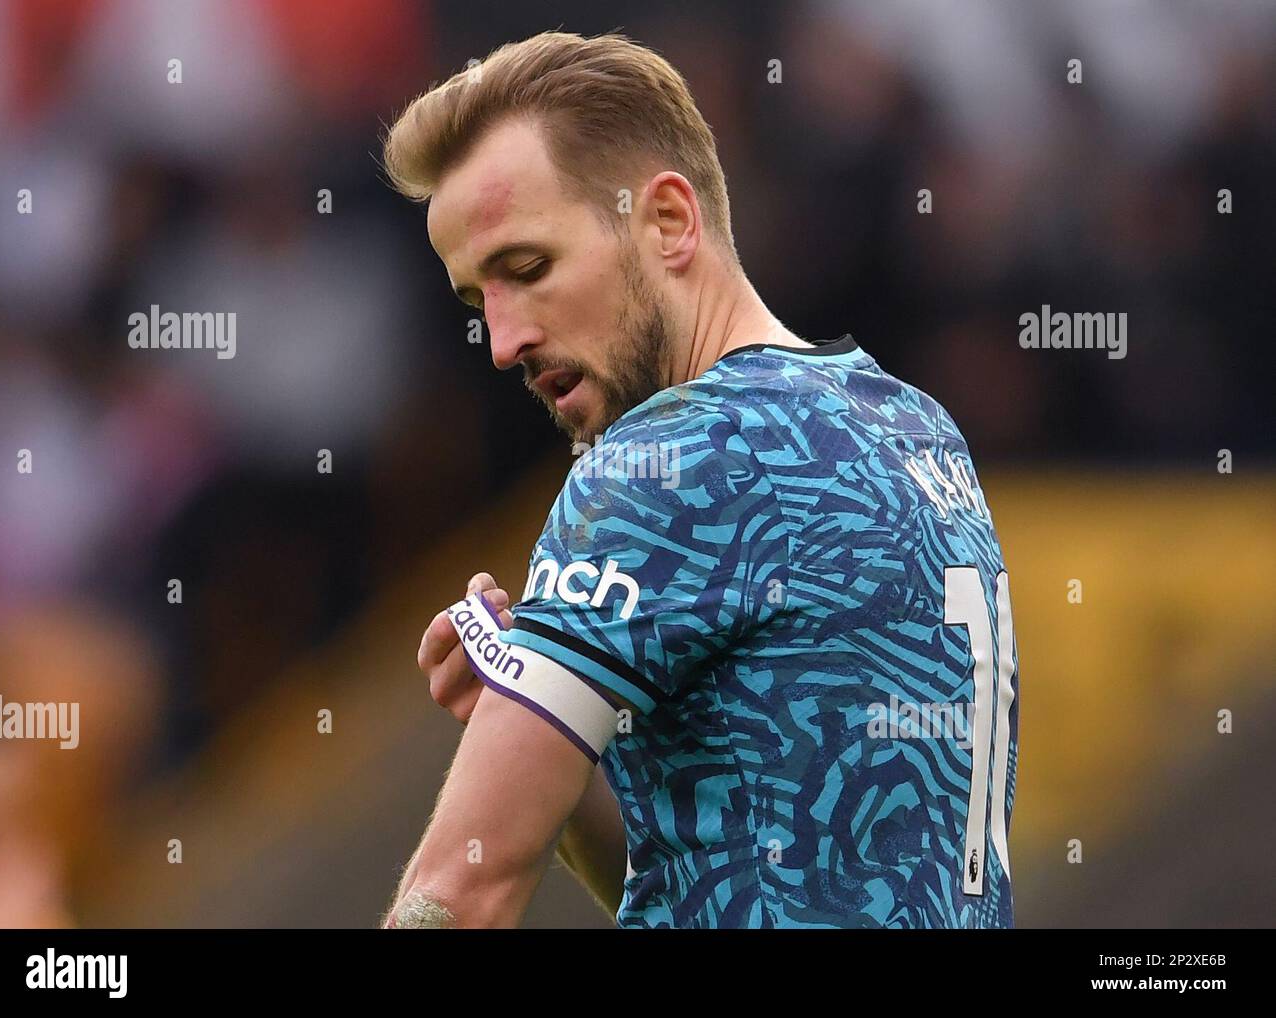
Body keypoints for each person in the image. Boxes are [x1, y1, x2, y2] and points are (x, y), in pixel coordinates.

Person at [381, 31, 1017, 928]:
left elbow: (456, 896)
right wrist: (538, 730)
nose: (502, 341)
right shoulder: (917, 426)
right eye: (477, 299)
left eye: (527, 269)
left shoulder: (672, 458)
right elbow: (724, 876)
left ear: (669, 221)